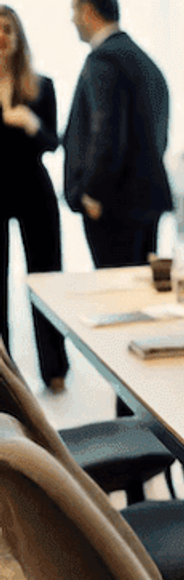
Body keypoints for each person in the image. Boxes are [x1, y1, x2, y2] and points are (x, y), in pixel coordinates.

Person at [64, 0, 172, 269]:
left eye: (74, 11)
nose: (72, 19)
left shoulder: (103, 60)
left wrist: (92, 192)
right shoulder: (146, 62)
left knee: (117, 297)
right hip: (145, 201)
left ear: (88, 10)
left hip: (112, 206)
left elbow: (106, 133)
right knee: (139, 295)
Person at [0, 5, 69, 393]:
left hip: (33, 189)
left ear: (18, 36)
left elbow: (53, 143)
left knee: (45, 279)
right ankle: (4, 378)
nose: (2, 36)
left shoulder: (40, 85)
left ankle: (54, 368)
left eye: (8, 28)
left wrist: (31, 123)